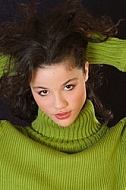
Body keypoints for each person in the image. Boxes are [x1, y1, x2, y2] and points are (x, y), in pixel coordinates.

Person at [0, 1, 126, 189]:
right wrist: (22, 57)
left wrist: (85, 46)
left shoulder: (120, 146)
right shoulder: (5, 144)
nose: (59, 104)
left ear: (85, 71)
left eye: (68, 86)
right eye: (43, 91)